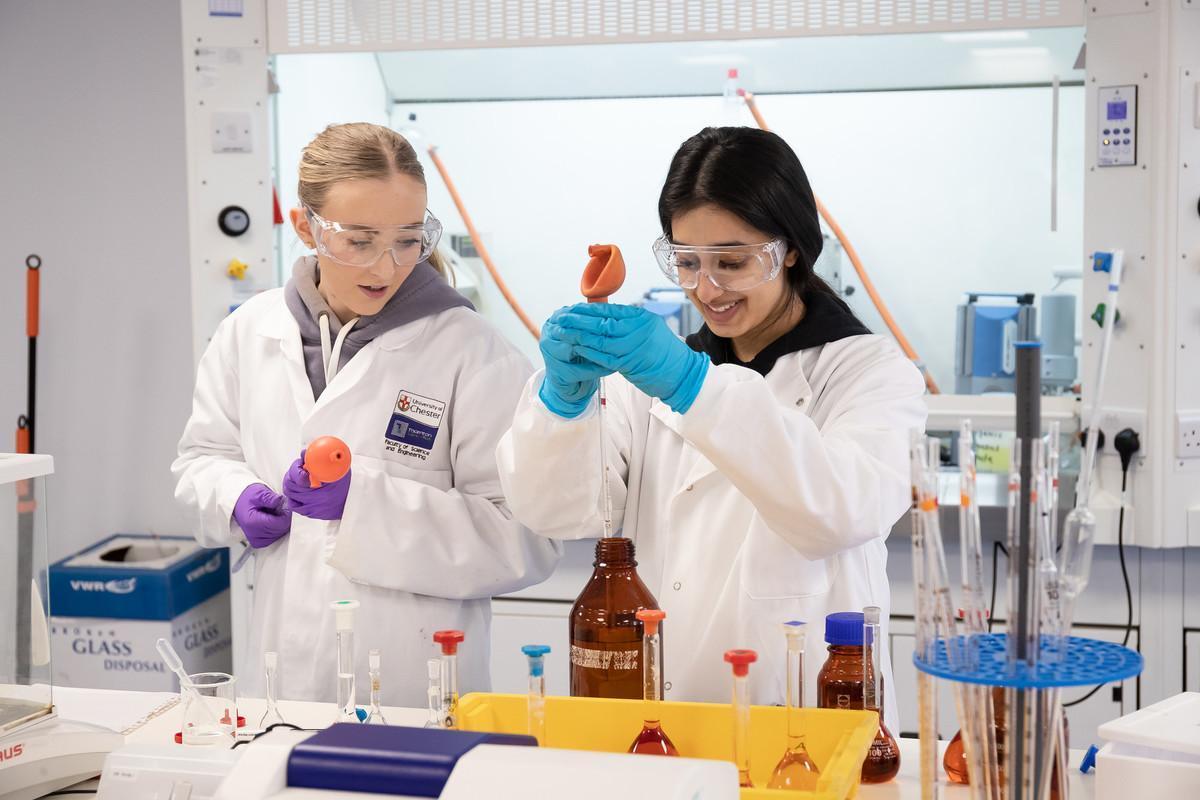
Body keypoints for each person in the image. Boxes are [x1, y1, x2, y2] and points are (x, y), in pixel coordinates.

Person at [497, 127, 925, 730]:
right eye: (687, 263)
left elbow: (841, 511)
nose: (707, 288)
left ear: (790, 250)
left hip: (802, 719)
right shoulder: (646, 380)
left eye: (732, 262)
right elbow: (557, 513)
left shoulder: (868, 371)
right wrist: (561, 406)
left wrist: (692, 385)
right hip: (662, 718)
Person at [173, 122, 560, 704]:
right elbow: (202, 458)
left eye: (408, 240)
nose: (386, 267)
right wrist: (233, 497)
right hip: (278, 687)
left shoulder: (473, 352)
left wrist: (362, 506)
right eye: (359, 241)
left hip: (415, 694)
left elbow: (526, 536)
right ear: (305, 227)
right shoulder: (249, 332)